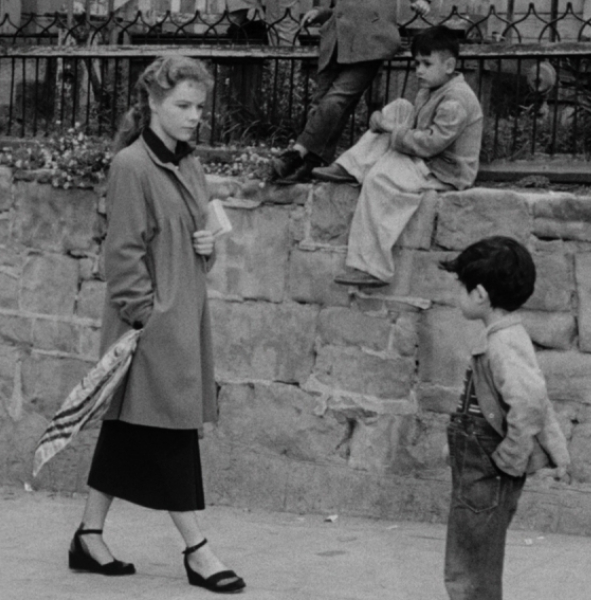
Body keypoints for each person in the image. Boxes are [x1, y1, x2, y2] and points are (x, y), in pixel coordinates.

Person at [68, 55, 246, 594]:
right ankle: (198, 550)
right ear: (153, 103)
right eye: (182, 106)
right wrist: (151, 320)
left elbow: (200, 242)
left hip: (183, 319)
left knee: (128, 428)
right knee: (171, 431)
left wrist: (208, 246)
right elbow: (120, 259)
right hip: (150, 326)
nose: (194, 116)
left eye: (199, 106)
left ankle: (88, 536)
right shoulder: (131, 166)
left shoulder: (189, 164)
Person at [439, 236, 570, 600]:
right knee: (472, 548)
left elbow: (530, 402)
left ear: (479, 294)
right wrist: (557, 450)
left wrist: (512, 454)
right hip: (478, 463)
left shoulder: (504, 344)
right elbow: (538, 400)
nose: (457, 296)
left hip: (488, 465)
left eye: (460, 288)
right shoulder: (503, 336)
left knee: (471, 561)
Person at [322, 24, 484, 288]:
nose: (418, 70)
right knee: (399, 108)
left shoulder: (457, 100)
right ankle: (351, 166)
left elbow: (431, 144)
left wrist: (389, 129)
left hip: (445, 169)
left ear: (449, 65)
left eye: (426, 63)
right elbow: (413, 127)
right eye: (416, 63)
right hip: (429, 157)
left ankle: (373, 268)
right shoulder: (431, 89)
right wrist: (386, 122)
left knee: (379, 179)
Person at [271, 0, 432, 184]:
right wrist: (320, 11)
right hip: (336, 39)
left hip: (371, 38)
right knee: (320, 102)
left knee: (336, 99)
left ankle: (296, 153)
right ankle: (310, 165)